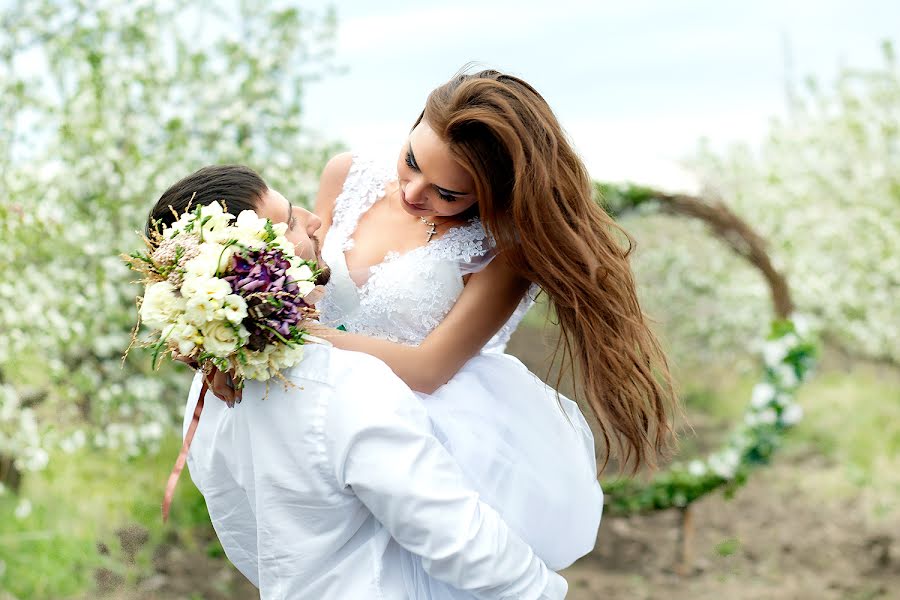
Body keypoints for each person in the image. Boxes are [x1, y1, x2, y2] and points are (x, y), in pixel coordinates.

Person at [293, 68, 678, 594]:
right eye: (410, 161)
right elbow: (305, 279)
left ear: (491, 193)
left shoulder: (506, 250)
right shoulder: (345, 174)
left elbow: (430, 369)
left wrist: (297, 334)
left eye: (447, 193)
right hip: (318, 407)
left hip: (428, 427)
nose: (413, 191)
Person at [146, 165, 567, 599]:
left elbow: (238, 527)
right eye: (289, 221)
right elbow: (457, 537)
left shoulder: (210, 388)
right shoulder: (349, 386)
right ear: (255, 265)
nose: (314, 219)